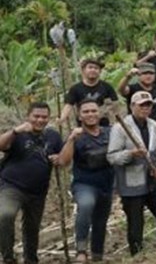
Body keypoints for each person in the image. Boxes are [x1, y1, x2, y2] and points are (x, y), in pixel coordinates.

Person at [107, 91, 156, 255]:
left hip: (151, 180)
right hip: (131, 182)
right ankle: (137, 256)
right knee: (136, 224)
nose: (145, 108)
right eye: (142, 105)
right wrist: (130, 154)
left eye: (148, 105)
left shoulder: (152, 124)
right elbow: (112, 156)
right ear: (132, 106)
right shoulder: (120, 128)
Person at [0, 102, 63, 264]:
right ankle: (8, 257)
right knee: (5, 215)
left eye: (44, 117)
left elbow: (62, 158)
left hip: (38, 191)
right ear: (28, 116)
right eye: (36, 116)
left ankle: (31, 259)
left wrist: (58, 158)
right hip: (11, 186)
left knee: (32, 228)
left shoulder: (53, 136)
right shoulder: (19, 134)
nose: (40, 120)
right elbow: (1, 145)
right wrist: (15, 131)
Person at [56, 99, 115, 263]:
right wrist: (71, 139)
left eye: (93, 111)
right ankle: (81, 250)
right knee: (86, 205)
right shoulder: (76, 135)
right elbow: (63, 162)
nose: (90, 114)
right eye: (86, 112)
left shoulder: (109, 132)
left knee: (101, 221)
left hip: (107, 185)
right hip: (85, 184)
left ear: (99, 113)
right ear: (80, 116)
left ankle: (97, 255)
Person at [60, 58, 119, 127]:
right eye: (90, 67)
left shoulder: (107, 87)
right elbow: (68, 106)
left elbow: (115, 104)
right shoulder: (75, 88)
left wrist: (116, 121)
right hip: (83, 126)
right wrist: (62, 119)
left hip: (103, 125)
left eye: (96, 68)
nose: (93, 70)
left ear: (100, 71)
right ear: (83, 70)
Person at [118, 62, 156, 132]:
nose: (148, 76)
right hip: (134, 128)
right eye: (145, 73)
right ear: (139, 75)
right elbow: (121, 90)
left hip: (155, 128)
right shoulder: (133, 89)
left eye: (151, 73)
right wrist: (128, 77)